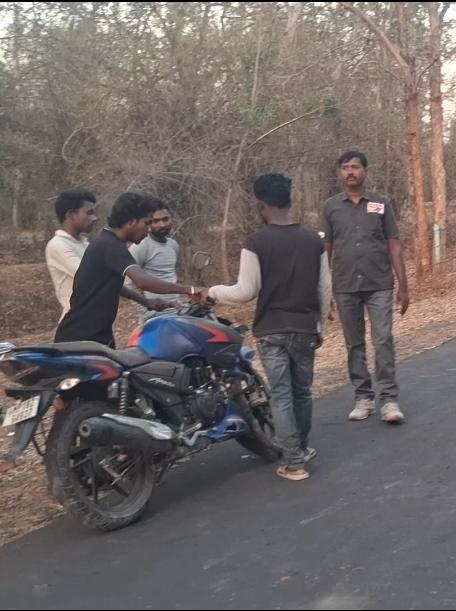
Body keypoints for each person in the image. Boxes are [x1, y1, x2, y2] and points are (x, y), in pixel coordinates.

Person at [209, 173, 332, 482]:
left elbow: (245, 291)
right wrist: (321, 326)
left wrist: (213, 291)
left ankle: (294, 463)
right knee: (302, 392)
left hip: (271, 330)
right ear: (289, 201)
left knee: (280, 395)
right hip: (305, 327)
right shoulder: (312, 240)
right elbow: (325, 288)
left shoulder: (256, 242)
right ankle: (301, 449)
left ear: (261, 206)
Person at [322, 150, 410, 424]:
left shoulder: (381, 203)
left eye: (355, 167)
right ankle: (363, 397)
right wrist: (324, 292)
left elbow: (393, 243)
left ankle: (389, 400)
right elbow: (326, 248)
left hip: (379, 283)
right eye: (345, 167)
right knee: (354, 343)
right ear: (340, 173)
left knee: (383, 339)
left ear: (365, 172)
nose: (350, 172)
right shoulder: (331, 207)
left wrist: (403, 286)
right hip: (345, 285)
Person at [54, 192, 202, 348]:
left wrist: (145, 301)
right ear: (131, 221)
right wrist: (190, 290)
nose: (149, 229)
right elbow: (142, 281)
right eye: (147, 223)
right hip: (79, 339)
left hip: (98, 336)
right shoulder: (109, 245)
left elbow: (113, 286)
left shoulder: (109, 242)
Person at [45, 189, 98, 322]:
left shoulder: (84, 244)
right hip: (76, 324)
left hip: (95, 321)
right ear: (71, 214)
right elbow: (91, 276)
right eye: (89, 213)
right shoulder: (58, 245)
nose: (94, 218)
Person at [127, 198, 182, 322]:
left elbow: (170, 277)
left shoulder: (173, 245)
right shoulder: (140, 247)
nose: (162, 224)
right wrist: (146, 313)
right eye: (155, 221)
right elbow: (129, 283)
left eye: (165, 219)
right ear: (148, 223)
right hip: (155, 318)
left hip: (177, 313)